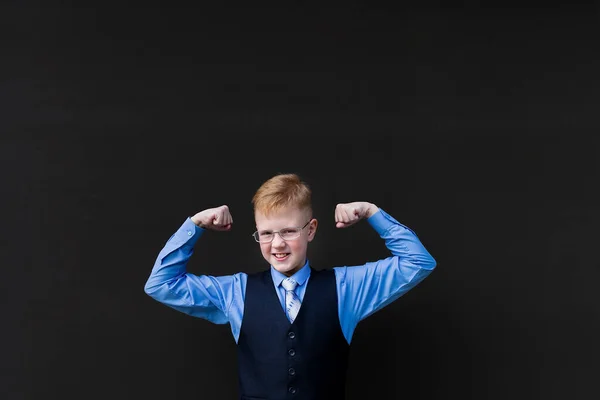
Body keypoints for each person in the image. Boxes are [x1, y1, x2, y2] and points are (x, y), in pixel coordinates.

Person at [144, 173, 436, 400]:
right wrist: (195, 225)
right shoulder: (235, 292)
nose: (278, 244)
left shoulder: (346, 287)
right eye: (266, 233)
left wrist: (372, 213)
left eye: (288, 231)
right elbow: (161, 284)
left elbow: (418, 263)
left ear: (310, 230)